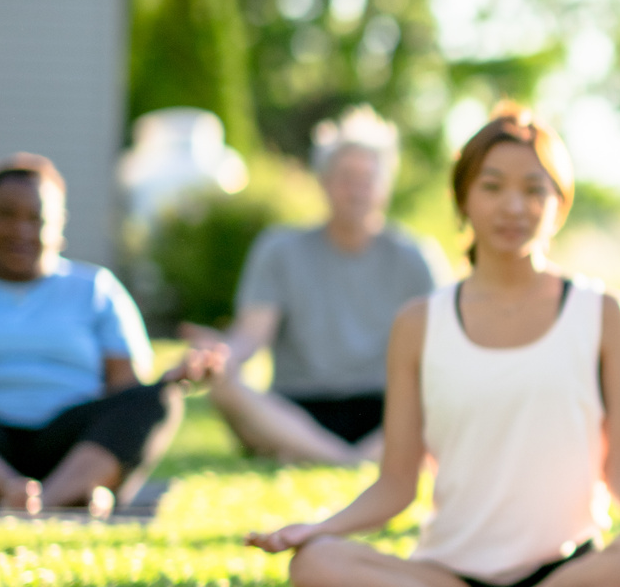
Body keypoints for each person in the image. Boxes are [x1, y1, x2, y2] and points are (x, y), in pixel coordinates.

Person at [245, 106, 620, 587]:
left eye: (535, 190)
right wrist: (321, 530)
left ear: (559, 205)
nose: (514, 206)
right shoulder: (419, 322)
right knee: (315, 564)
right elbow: (396, 484)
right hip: (448, 577)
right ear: (463, 199)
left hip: (568, 572)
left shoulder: (603, 312)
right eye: (492, 186)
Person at [0, 154, 212, 513]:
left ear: (60, 225)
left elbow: (124, 390)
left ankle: (44, 497)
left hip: (67, 449)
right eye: (6, 215)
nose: (20, 231)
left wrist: (176, 380)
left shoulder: (97, 289)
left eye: (37, 219)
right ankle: (20, 493)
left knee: (159, 398)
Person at [188, 109, 447, 465]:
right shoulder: (279, 249)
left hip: (385, 408)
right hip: (298, 409)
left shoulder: (415, 256)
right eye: (345, 178)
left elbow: (441, 351)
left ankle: (339, 457)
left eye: (368, 178)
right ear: (323, 181)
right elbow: (251, 336)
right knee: (224, 387)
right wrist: (219, 357)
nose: (357, 190)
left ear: (386, 185)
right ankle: (351, 461)